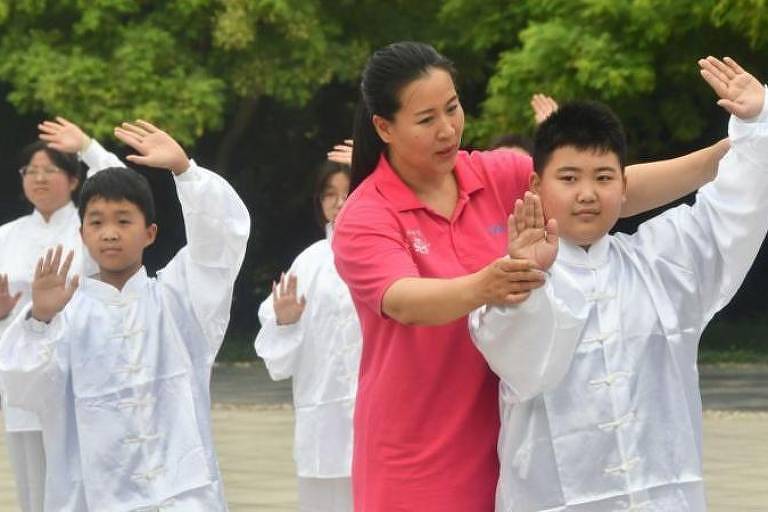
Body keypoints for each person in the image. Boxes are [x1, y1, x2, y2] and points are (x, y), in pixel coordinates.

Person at [331, 41, 730, 511]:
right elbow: (402, 299)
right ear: (384, 127)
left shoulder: (497, 174)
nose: (447, 129)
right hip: (420, 453)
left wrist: (727, 155)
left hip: (510, 442)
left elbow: (604, 190)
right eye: (426, 120)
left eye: (453, 108)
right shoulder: (367, 213)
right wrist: (490, 284)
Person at [469, 56, 767, 511]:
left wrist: (756, 123)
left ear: (624, 186)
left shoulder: (664, 261)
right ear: (536, 184)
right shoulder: (503, 278)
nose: (587, 193)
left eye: (603, 177)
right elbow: (523, 366)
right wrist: (528, 278)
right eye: (569, 178)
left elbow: (733, 212)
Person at [0, 120, 250, 511]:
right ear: (81, 234)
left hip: (182, 493)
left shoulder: (178, 298)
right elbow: (24, 390)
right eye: (96, 222)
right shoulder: (65, 318)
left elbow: (220, 243)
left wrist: (185, 172)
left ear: (150, 233)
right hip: (93, 496)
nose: (110, 233)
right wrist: (40, 320)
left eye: (123, 220)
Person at [0, 117, 121, 512]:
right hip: (23, 371)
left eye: (49, 170)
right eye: (30, 171)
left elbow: (120, 184)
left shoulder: (89, 226)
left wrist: (87, 145)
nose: (38, 178)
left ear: (73, 180)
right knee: (34, 483)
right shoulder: (7, 235)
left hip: (79, 367)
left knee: (83, 478)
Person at [255, 155, 359, 512]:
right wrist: (285, 321)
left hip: (379, 414)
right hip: (324, 420)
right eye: (330, 193)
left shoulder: (390, 251)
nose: (340, 201)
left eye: (349, 191)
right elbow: (278, 363)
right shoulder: (309, 262)